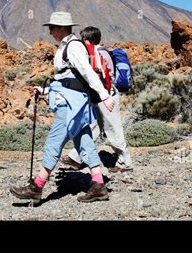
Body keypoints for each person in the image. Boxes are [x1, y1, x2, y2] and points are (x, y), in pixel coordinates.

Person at [10, 12, 115, 204]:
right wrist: (45, 90)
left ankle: (37, 186)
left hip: (71, 105)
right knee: (84, 142)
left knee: (54, 141)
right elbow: (68, 79)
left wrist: (104, 95)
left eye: (52, 27)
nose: (50, 31)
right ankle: (99, 185)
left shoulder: (73, 46)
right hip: (72, 101)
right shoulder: (66, 47)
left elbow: (86, 72)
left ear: (62, 28)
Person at [60, 26, 134, 173]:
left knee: (113, 128)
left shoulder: (99, 54)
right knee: (92, 127)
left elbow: (101, 76)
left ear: (87, 40)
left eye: (83, 39)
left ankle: (125, 162)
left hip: (107, 95)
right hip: (97, 96)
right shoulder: (93, 53)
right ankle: (76, 157)